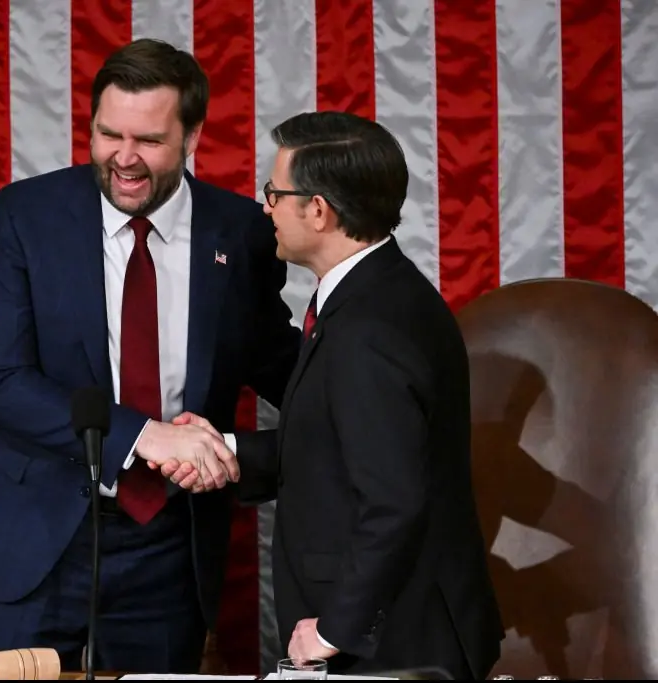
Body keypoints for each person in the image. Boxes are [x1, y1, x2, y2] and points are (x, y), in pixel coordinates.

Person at [0, 38, 301, 674]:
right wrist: (145, 436)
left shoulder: (242, 232)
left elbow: (285, 368)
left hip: (169, 546)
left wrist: (376, 393)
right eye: (108, 134)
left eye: (147, 140)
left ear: (192, 135)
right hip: (39, 535)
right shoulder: (28, 216)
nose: (124, 158)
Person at [158, 111, 505, 679]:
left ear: (317, 210)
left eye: (274, 193)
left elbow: (393, 500)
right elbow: (349, 451)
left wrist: (334, 628)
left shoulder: (371, 328)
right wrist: (228, 450)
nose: (265, 208)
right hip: (393, 631)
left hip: (395, 646)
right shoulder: (376, 296)